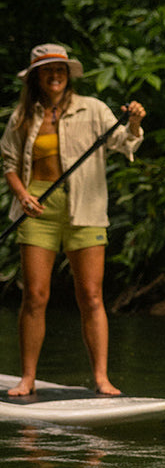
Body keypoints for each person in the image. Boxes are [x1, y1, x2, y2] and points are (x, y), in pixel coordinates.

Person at [1, 43, 147, 397]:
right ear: (36, 77)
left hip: (86, 207)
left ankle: (101, 378)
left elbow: (124, 142)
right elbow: (9, 163)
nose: (55, 76)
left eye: (60, 70)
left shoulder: (92, 109)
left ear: (68, 75)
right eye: (47, 71)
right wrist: (22, 195)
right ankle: (27, 378)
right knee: (35, 295)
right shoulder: (22, 116)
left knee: (91, 295)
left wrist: (134, 122)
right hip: (38, 207)